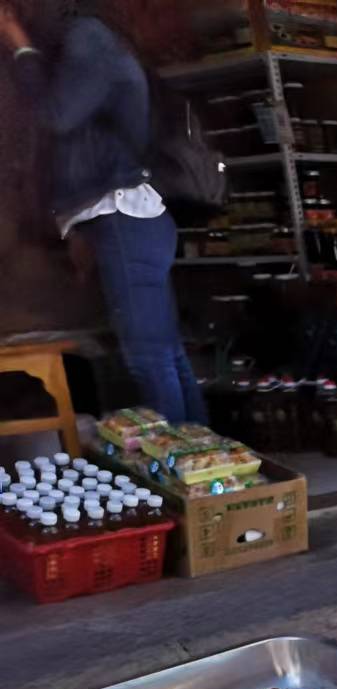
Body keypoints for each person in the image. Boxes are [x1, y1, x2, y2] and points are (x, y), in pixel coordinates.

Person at [0, 0, 207, 424]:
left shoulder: (89, 38)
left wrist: (19, 46)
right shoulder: (90, 42)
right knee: (164, 354)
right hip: (127, 222)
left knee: (150, 360)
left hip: (125, 218)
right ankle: (201, 466)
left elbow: (58, 115)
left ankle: (183, 470)